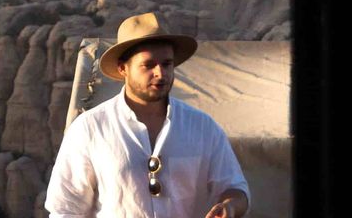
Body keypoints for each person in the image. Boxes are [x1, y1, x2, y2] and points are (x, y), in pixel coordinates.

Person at [44, 12, 250, 218]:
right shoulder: (90, 128)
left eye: (167, 64)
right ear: (123, 68)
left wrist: (229, 206)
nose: (160, 73)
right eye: (148, 65)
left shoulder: (203, 126)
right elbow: (65, 209)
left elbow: (235, 188)